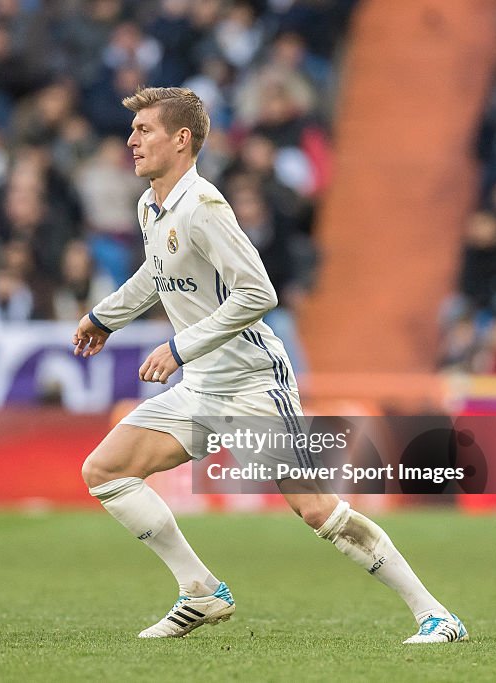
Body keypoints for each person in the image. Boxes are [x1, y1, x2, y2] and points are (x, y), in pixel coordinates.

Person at [71, 87, 467, 644]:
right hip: (202, 385)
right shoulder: (150, 206)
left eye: (145, 131)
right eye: (133, 130)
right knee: (105, 471)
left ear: (181, 140)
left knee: (315, 510)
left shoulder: (204, 207)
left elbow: (258, 293)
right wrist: (103, 318)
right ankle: (202, 591)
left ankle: (436, 614)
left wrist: (181, 348)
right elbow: (156, 276)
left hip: (252, 383)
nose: (131, 141)